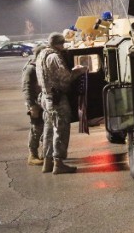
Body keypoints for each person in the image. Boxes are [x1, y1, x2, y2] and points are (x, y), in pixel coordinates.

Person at [36, 32, 87, 174]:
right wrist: (79, 71)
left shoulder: (41, 55)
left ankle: (47, 162)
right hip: (57, 99)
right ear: (58, 44)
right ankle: (58, 163)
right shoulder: (53, 57)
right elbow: (65, 77)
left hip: (46, 98)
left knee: (49, 130)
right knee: (61, 129)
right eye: (62, 44)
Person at [21, 45, 45, 165]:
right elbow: (26, 88)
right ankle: (33, 155)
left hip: (41, 103)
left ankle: (43, 154)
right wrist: (32, 106)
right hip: (35, 104)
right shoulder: (31, 68)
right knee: (36, 129)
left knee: (43, 128)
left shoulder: (37, 66)